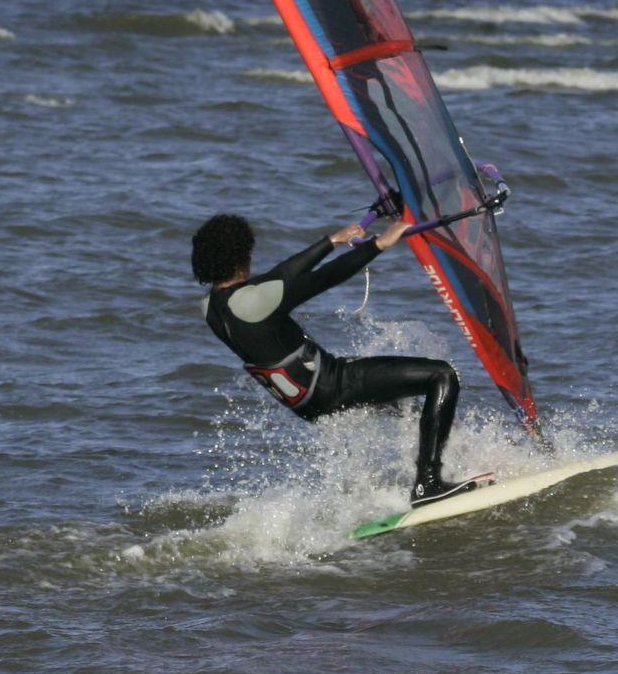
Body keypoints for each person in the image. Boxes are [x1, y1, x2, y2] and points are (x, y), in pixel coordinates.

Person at [193, 210, 483, 507]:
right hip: (333, 384)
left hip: (309, 403)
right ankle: (428, 483)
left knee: (408, 405)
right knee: (442, 376)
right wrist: (379, 244)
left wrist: (331, 241)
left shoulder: (211, 308)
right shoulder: (253, 301)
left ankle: (454, 463)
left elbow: (280, 276)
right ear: (242, 257)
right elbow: (322, 278)